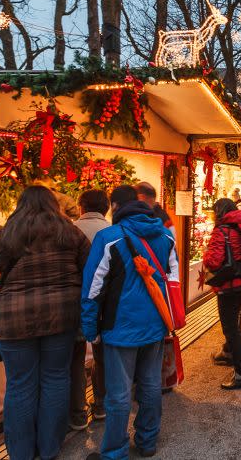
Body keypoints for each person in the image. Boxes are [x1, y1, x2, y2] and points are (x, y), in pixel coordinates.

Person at [0, 186, 91, 460]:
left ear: (20, 206)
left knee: (20, 385)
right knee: (56, 379)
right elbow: (91, 275)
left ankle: (21, 453)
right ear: (53, 205)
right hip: (61, 318)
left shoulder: (3, 237)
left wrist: (0, 301)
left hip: (14, 323)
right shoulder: (72, 234)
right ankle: (49, 450)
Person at [82, 185, 178, 459]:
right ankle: (147, 441)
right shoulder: (165, 236)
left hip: (119, 327)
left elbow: (92, 290)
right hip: (155, 325)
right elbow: (173, 282)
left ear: (115, 207)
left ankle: (115, 452)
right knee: (150, 384)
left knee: (119, 394)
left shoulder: (108, 238)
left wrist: (91, 329)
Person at [202, 198, 241, 390]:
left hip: (229, 285)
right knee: (233, 323)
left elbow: (215, 261)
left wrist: (205, 253)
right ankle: (228, 352)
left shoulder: (222, 230)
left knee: (230, 328)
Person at [70, 190, 112, 429]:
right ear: (107, 208)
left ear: (80, 206)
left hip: (74, 301)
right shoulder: (112, 232)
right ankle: (101, 405)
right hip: (105, 304)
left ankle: (77, 414)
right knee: (102, 356)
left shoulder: (70, 230)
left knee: (75, 357)